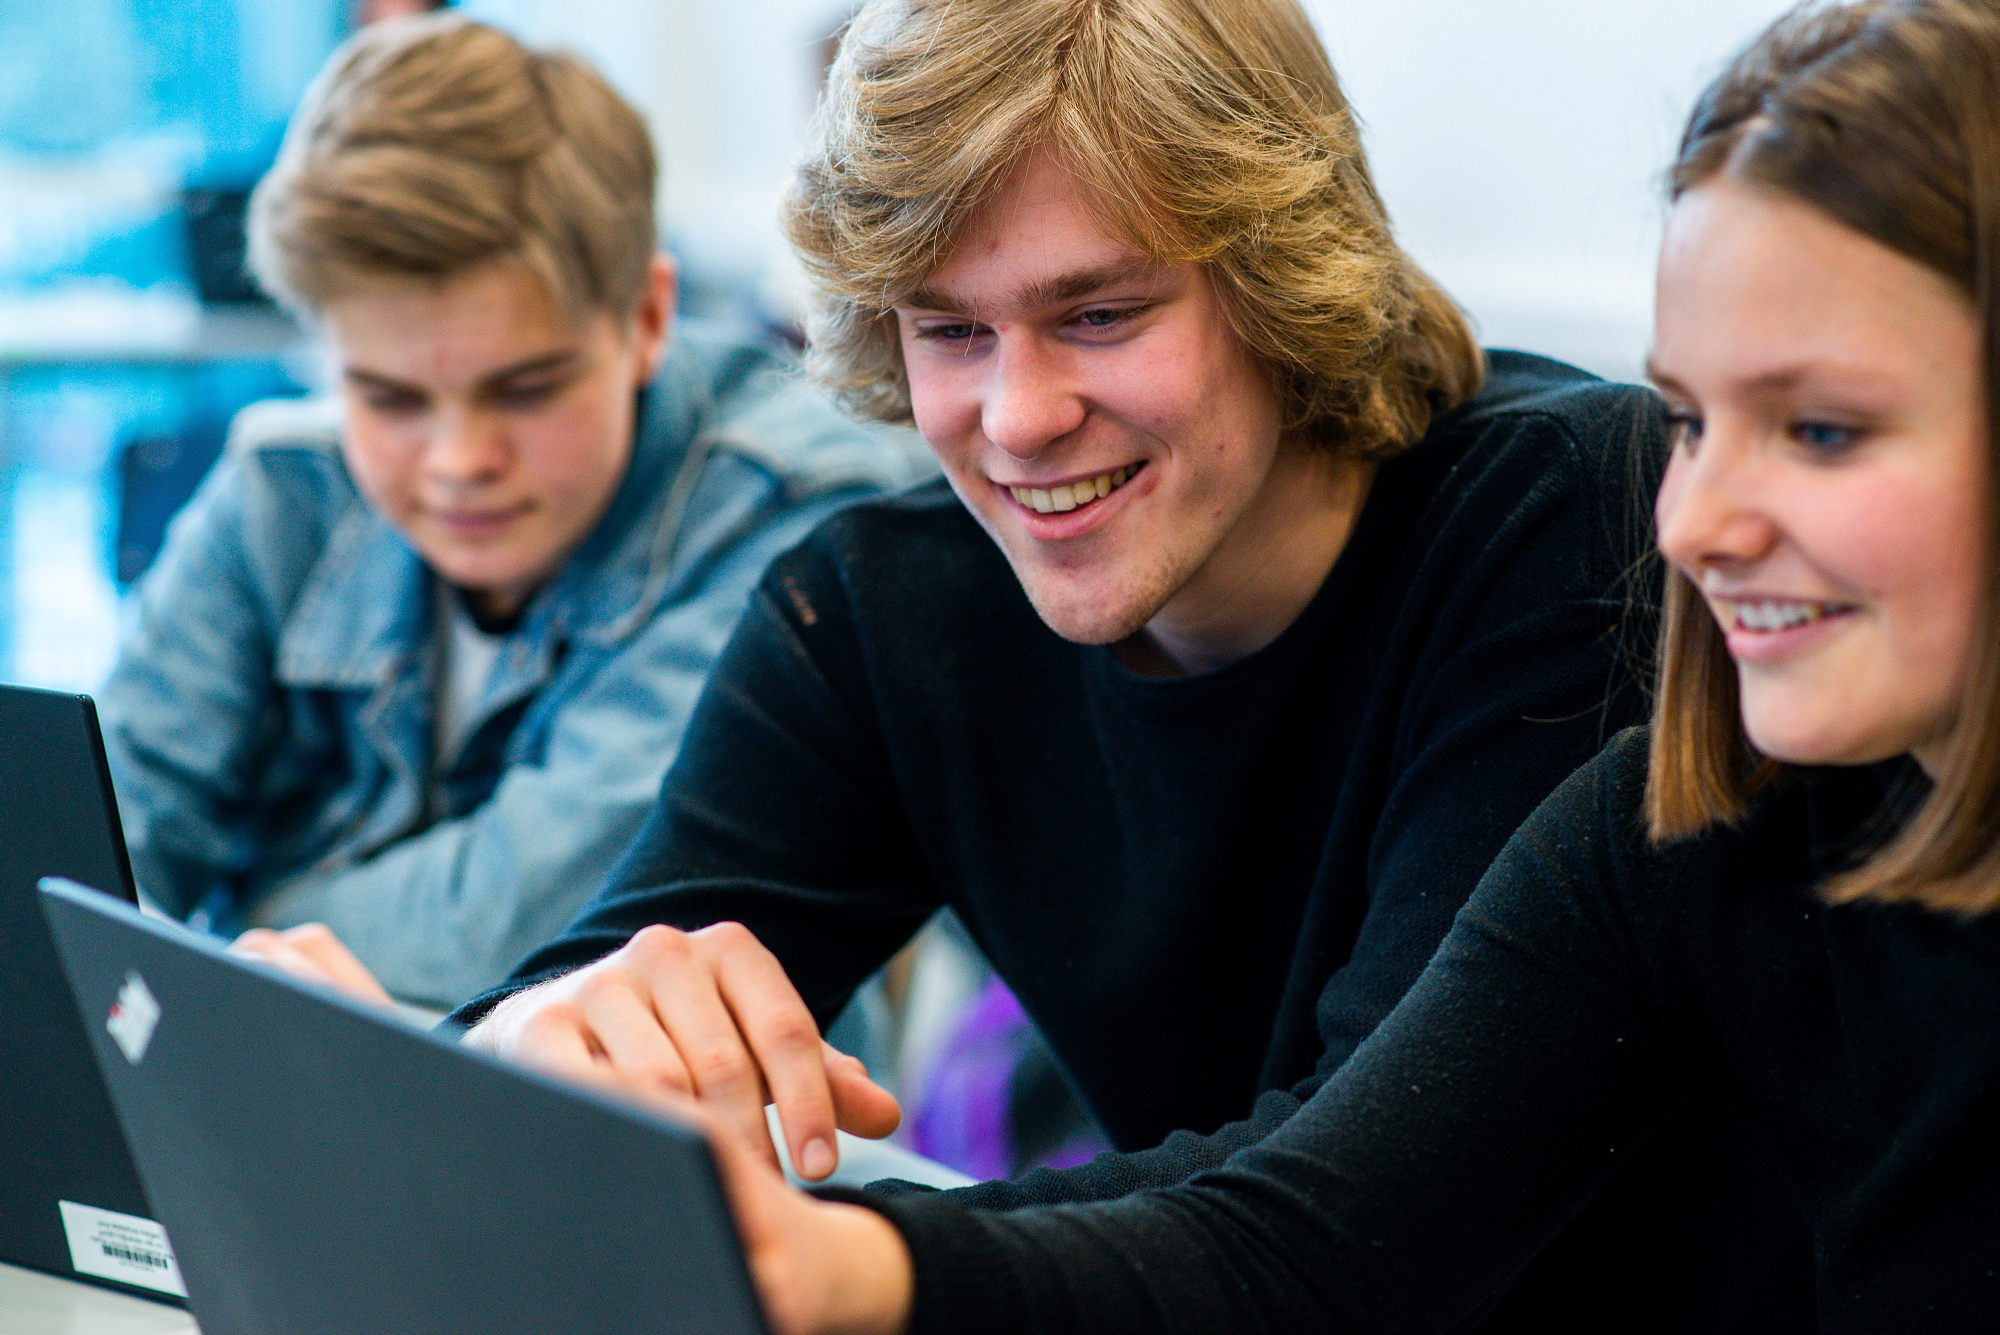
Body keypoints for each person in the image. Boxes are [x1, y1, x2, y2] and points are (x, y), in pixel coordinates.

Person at [584, 0, 2000, 1329]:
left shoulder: (1568, 526)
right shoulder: (1669, 820)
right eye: (950, 330)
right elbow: (1315, 1239)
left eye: (1099, 313)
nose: (1691, 527)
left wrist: (833, 1256)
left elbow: (1319, 1213)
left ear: (1277, 281)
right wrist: (552, 1037)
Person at [97, 14, 925, 1010]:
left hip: (670, 1105)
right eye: (389, 399)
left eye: (526, 390)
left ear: (647, 317)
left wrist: (214, 941)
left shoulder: (791, 507)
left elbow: (524, 922)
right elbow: (94, 852)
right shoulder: (280, 491)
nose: (459, 462)